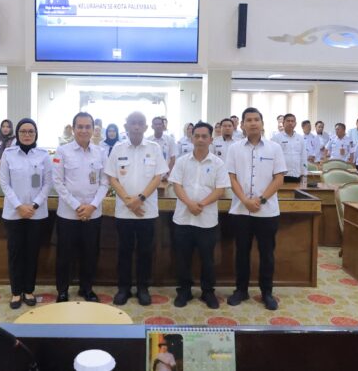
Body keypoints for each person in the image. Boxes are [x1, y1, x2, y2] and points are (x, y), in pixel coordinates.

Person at [105, 111, 168, 306]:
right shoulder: (118, 148)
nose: (137, 126)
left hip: (146, 211)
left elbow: (158, 177)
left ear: (146, 127)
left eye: (140, 123)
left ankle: (143, 288)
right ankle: (123, 288)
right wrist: (128, 201)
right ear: (126, 126)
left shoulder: (154, 148)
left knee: (145, 252)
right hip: (124, 211)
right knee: (124, 251)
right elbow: (112, 177)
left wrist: (140, 199)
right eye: (133, 123)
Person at [225, 107, 286, 310]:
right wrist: (245, 200)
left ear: (262, 123)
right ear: (242, 125)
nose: (253, 123)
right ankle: (241, 290)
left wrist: (260, 200)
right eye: (248, 120)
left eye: (256, 119)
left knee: (267, 254)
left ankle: (267, 292)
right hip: (240, 211)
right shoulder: (234, 149)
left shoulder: (274, 148)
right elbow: (231, 177)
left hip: (267, 212)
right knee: (241, 252)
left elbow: (279, 178)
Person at [169, 121, 230, 309]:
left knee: (208, 259)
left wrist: (201, 204)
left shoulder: (218, 163)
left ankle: (208, 292)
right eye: (197, 136)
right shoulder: (182, 161)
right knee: (182, 258)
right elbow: (176, 185)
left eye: (204, 136)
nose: (200, 139)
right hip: (183, 218)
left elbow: (220, 189)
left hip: (207, 220)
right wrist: (189, 203)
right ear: (192, 138)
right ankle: (184, 291)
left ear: (211, 139)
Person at [52, 112, 109, 303]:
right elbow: (57, 182)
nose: (84, 130)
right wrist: (77, 206)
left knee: (90, 254)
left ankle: (87, 289)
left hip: (93, 214)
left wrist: (92, 206)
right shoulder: (62, 151)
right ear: (73, 128)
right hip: (68, 214)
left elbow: (105, 182)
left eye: (87, 127)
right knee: (64, 255)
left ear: (93, 129)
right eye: (80, 127)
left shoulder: (101, 152)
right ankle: (62, 290)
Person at [0, 118, 52, 309]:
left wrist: (34, 205)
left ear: (36, 134)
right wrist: (19, 206)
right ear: (18, 134)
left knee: (32, 253)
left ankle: (29, 290)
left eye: (31, 131)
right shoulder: (9, 154)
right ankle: (16, 292)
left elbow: (47, 183)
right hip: (14, 213)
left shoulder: (43, 155)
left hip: (36, 214)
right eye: (23, 131)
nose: (27, 135)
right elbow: (4, 183)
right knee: (15, 253)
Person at [271, 113, 307, 183]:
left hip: (296, 174)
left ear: (295, 124)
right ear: (283, 123)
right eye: (288, 121)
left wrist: (304, 173)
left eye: (292, 121)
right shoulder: (276, 138)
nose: (290, 123)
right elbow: (272, 157)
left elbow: (303, 156)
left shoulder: (300, 138)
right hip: (281, 175)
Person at [148, 116, 176, 180]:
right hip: (151, 176)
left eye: (159, 124)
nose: (158, 126)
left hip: (165, 176)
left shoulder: (170, 140)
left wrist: (167, 174)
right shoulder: (148, 140)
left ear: (163, 126)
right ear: (152, 126)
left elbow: (173, 159)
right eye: (155, 124)